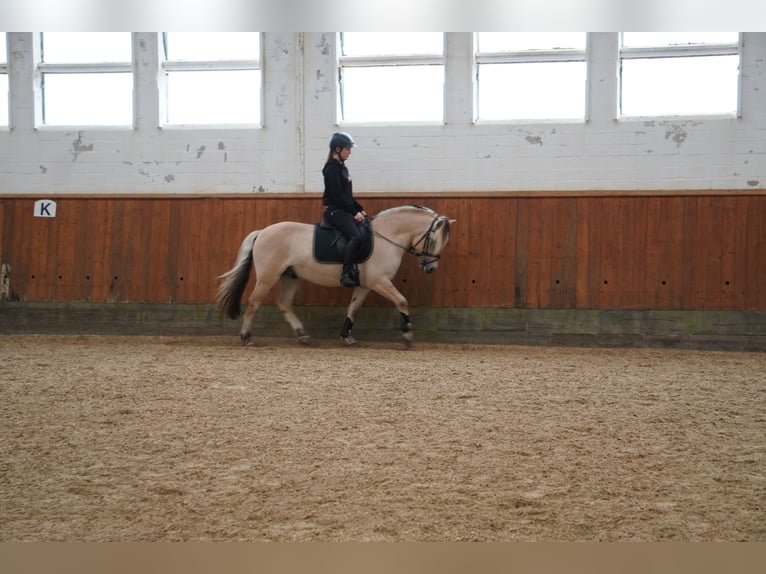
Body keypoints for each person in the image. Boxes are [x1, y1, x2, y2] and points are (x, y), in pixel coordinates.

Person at [322, 131, 367, 287]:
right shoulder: (331, 169)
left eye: (350, 149)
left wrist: (360, 209)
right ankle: (346, 273)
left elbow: (347, 196)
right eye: (347, 149)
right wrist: (354, 213)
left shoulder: (343, 168)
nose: (350, 152)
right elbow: (337, 197)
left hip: (344, 208)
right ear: (337, 149)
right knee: (356, 237)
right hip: (335, 211)